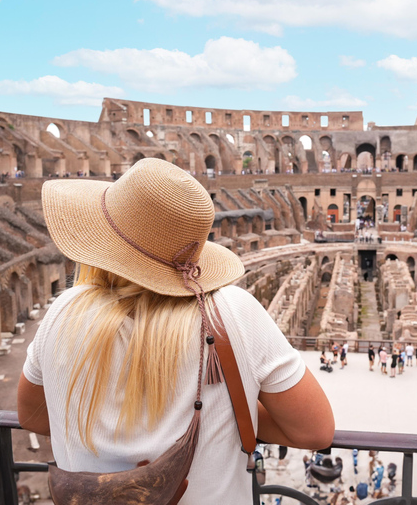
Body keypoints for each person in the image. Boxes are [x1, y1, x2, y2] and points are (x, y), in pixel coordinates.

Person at [17, 158, 334, 504]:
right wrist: (227, 412)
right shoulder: (233, 312)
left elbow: (31, 415)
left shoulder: (63, 312)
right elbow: (314, 431)